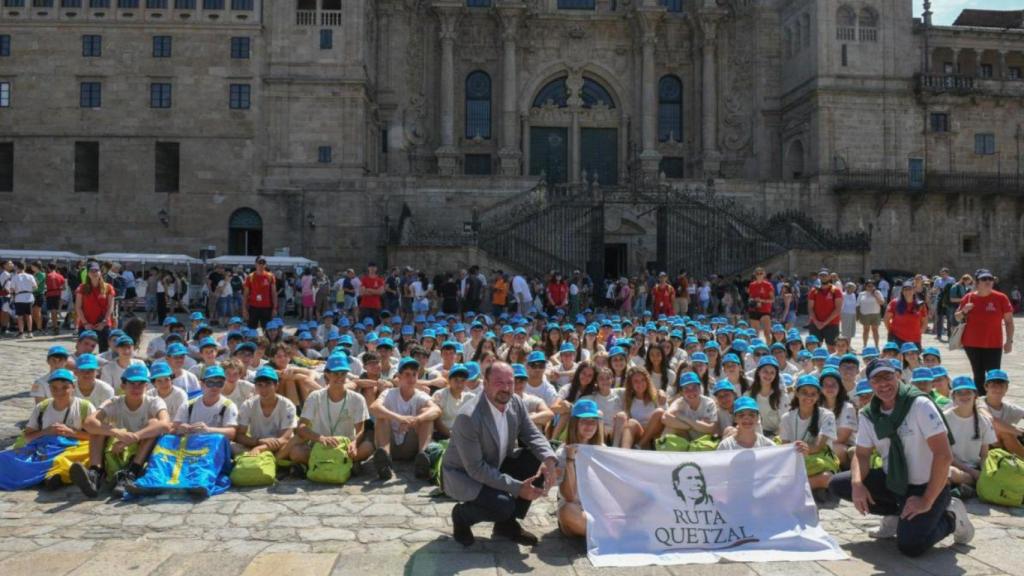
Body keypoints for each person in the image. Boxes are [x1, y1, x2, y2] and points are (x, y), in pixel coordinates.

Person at [827, 359, 973, 556]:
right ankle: (896, 513)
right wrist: (857, 484)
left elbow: (943, 455)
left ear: (898, 377)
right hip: (895, 482)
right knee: (839, 483)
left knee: (911, 546)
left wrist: (927, 500)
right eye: (877, 379)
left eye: (888, 376)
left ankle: (951, 517)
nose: (883, 383)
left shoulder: (919, 405)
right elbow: (861, 455)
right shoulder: (870, 415)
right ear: (870, 384)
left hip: (928, 485)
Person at [442, 361, 558, 547]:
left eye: (509, 382)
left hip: (495, 462)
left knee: (537, 459)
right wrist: (518, 488)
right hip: (464, 475)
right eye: (498, 382)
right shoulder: (469, 417)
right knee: (503, 505)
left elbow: (532, 433)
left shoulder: (515, 402)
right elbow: (476, 469)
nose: (505, 388)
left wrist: (550, 460)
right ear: (485, 383)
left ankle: (506, 525)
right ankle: (462, 516)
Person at [72, 364, 172, 498]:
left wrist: (134, 436)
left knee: (154, 423)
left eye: (141, 384)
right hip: (116, 447)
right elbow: (89, 422)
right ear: (123, 386)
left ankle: (131, 473)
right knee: (98, 427)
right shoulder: (115, 402)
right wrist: (118, 433)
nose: (136, 388)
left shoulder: (155, 401)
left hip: (141, 448)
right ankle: (95, 472)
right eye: (132, 384)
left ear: (146, 386)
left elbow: (165, 424)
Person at [369, 356, 441, 480]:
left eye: (414, 374)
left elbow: (436, 410)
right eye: (407, 374)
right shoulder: (389, 393)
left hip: (410, 444)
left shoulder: (421, 396)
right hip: (390, 444)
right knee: (382, 417)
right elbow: (374, 407)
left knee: (426, 414)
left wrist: (415, 420)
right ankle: (384, 461)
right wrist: (400, 418)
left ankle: (423, 458)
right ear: (399, 377)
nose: (411, 378)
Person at [954, 268, 1013, 394]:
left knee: (994, 375)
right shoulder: (968, 298)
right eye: (984, 279)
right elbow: (957, 317)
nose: (988, 281)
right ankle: (981, 401)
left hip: (993, 343)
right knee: (978, 374)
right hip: (971, 344)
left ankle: (993, 399)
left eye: (990, 279)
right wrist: (964, 310)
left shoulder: (1001, 298)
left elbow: (1009, 322)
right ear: (977, 282)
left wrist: (1009, 341)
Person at [779, 375, 837, 495]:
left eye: (813, 394)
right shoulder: (787, 418)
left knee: (827, 478)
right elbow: (785, 447)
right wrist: (798, 450)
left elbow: (818, 446)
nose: (809, 397)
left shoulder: (827, 415)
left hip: (818, 458)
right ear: (797, 393)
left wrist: (803, 448)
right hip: (794, 457)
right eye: (804, 392)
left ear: (818, 396)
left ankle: (794, 486)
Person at [556, 399, 605, 538]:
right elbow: (569, 496)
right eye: (584, 421)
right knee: (566, 511)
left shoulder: (602, 449)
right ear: (575, 423)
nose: (589, 426)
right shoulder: (562, 452)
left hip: (598, 509)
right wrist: (570, 460)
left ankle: (603, 533)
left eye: (593, 421)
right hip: (577, 509)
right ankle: (608, 535)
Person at [943, 376, 995, 500]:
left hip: (974, 468)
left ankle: (966, 489)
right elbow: (947, 455)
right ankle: (970, 488)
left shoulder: (983, 421)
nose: (964, 396)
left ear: (975, 395)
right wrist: (972, 473)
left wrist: (983, 473)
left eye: (968, 392)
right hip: (954, 466)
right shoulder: (945, 419)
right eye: (959, 393)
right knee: (948, 473)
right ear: (953, 396)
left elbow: (984, 454)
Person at [234, 366, 297, 458]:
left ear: (276, 386)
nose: (263, 389)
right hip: (256, 443)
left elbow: (285, 438)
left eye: (268, 384)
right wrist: (258, 441)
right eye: (260, 385)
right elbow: (240, 435)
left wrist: (261, 448)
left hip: (280, 446)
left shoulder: (287, 405)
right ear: (255, 387)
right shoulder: (248, 405)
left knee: (297, 452)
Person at [172, 366, 239, 439]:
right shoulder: (188, 405)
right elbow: (174, 428)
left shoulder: (228, 406)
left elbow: (232, 433)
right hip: (189, 446)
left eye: (219, 383)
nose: (215, 387)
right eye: (210, 383)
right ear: (202, 384)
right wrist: (180, 429)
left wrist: (208, 430)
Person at [75, 262, 116, 351]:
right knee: (84, 351)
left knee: (104, 351)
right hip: (86, 324)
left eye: (96, 270)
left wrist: (104, 322)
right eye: (91, 271)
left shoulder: (108, 288)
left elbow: (110, 307)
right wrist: (85, 323)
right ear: (88, 274)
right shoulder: (82, 288)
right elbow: (78, 307)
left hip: (103, 324)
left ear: (100, 272)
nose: (94, 273)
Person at [884, 280, 928, 349]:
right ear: (902, 291)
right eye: (905, 290)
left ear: (914, 290)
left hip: (915, 339)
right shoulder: (894, 303)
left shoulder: (920, 304)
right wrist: (891, 331)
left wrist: (920, 332)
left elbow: (925, 321)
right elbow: (886, 319)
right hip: (897, 338)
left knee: (914, 359)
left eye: (910, 289)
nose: (907, 292)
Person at [806, 269, 842, 351]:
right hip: (816, 324)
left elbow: (838, 309)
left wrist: (825, 323)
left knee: (832, 349)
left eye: (825, 275)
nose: (823, 277)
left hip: (832, 323)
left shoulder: (835, 291)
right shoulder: (814, 291)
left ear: (829, 276)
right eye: (821, 275)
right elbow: (810, 308)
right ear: (819, 277)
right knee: (813, 349)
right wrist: (816, 322)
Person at [242, 256, 277, 330]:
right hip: (253, 307)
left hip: (267, 308)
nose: (261, 265)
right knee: (251, 330)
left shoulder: (270, 276)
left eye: (263, 263)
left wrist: (275, 308)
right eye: (259, 263)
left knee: (267, 330)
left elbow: (274, 293)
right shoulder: (250, 277)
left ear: (265, 265)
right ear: (255, 264)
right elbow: (245, 294)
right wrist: (244, 309)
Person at [10, 261, 38, 338]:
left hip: (19, 297)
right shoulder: (30, 276)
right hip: (29, 297)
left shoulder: (15, 277)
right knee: (29, 315)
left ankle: (21, 333)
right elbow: (35, 287)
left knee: (20, 316)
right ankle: (30, 332)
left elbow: (12, 289)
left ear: (17, 268)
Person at [747, 268, 774, 343]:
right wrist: (753, 301)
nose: (759, 275)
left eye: (761, 273)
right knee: (755, 334)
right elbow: (750, 297)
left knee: (767, 333)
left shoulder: (768, 285)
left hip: (765, 310)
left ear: (764, 274)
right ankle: (755, 349)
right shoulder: (752, 285)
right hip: (754, 310)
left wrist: (761, 300)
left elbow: (772, 300)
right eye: (757, 273)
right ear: (755, 275)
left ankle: (770, 349)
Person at [857, 279, 885, 350]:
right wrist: (857, 315)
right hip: (865, 314)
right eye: (868, 286)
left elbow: (882, 302)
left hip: (875, 314)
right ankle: (865, 345)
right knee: (866, 330)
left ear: (874, 286)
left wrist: (875, 295)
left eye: (872, 286)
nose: (870, 287)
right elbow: (858, 305)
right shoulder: (861, 294)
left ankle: (877, 346)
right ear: (865, 286)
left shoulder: (877, 292)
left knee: (875, 330)